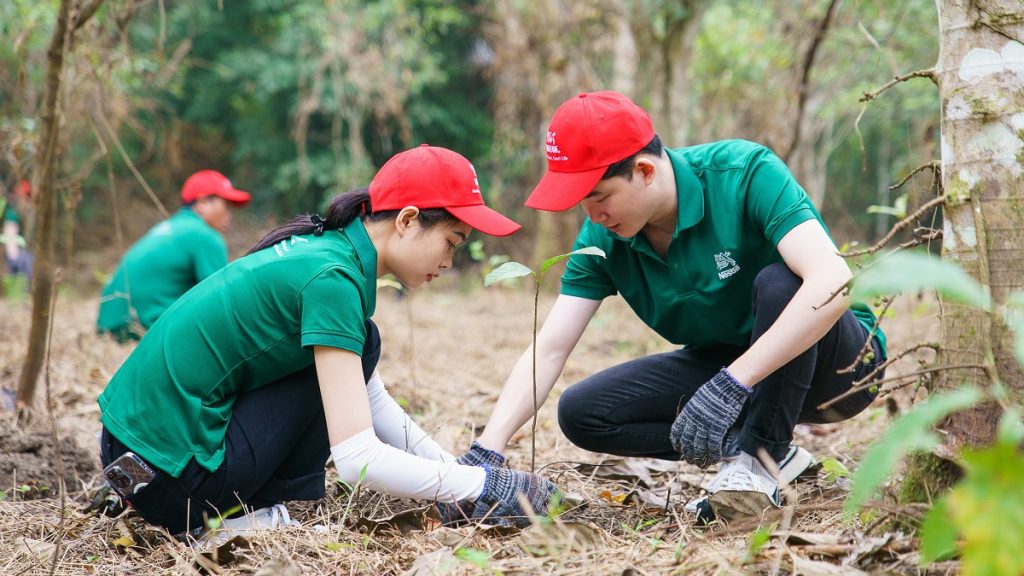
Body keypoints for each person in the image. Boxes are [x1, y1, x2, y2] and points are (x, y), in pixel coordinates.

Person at [97, 145, 559, 545]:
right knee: (360, 345)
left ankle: (238, 507)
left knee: (363, 343)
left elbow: (370, 399)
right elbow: (360, 459)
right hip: (172, 481)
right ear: (408, 220)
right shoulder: (332, 279)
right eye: (451, 241)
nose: (448, 261)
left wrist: (458, 479)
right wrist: (482, 483)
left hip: (135, 456)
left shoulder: (325, 252)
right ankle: (238, 521)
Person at [472, 91, 887, 523]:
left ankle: (757, 460)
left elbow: (833, 280)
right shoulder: (603, 240)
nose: (592, 216)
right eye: (582, 203)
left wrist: (733, 384)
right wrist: (489, 449)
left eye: (599, 197)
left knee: (783, 281)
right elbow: (551, 347)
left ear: (645, 170)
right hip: (733, 366)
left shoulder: (743, 173)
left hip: (839, 368)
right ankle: (766, 452)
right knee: (584, 413)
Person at [96, 170, 251, 341]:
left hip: (109, 329)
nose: (229, 214)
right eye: (226, 205)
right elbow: (221, 301)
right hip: (143, 330)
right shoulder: (206, 236)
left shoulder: (167, 228)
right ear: (203, 202)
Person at [1, 179, 33, 297]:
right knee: (17, 275)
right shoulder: (12, 213)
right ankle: (17, 299)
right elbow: (10, 235)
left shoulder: (22, 213)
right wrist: (13, 254)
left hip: (24, 251)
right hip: (15, 252)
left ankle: (21, 298)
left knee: (25, 274)